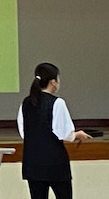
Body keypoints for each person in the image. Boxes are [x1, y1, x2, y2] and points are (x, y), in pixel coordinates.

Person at [17, 62, 91, 199]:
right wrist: (77, 135)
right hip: (54, 162)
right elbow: (64, 133)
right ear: (53, 82)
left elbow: (24, 132)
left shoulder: (26, 103)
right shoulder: (57, 103)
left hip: (32, 161)